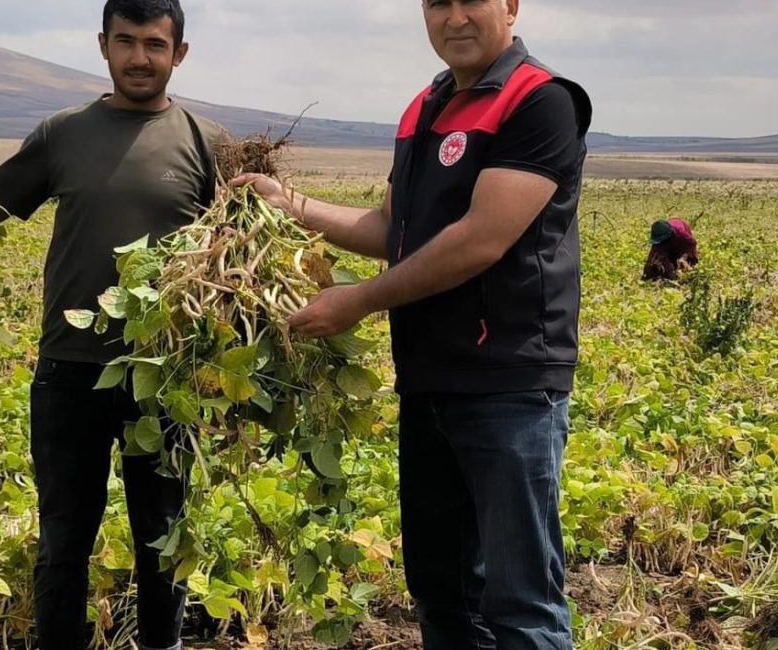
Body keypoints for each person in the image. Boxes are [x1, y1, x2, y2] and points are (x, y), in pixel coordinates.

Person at [233, 1, 590, 647]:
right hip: (430, 384)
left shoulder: (541, 101)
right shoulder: (425, 108)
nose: (453, 17)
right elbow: (392, 230)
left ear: (509, 5)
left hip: (508, 386)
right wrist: (291, 204)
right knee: (443, 594)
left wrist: (360, 300)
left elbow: (482, 239)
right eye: (437, 2)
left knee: (520, 605)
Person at [0, 1, 227, 648]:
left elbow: (237, 261)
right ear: (103, 46)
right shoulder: (61, 134)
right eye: (126, 42)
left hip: (168, 377)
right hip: (69, 371)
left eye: (155, 44)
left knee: (163, 537)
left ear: (179, 53)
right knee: (64, 540)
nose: (139, 58)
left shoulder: (208, 143)